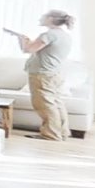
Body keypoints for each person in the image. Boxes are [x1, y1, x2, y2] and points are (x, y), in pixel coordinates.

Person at [8, 10, 77, 141]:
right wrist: (25, 40)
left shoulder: (49, 34)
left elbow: (28, 49)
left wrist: (22, 40)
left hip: (43, 74)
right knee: (56, 103)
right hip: (54, 73)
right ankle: (62, 132)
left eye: (43, 16)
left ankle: (51, 134)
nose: (41, 18)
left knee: (45, 105)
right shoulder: (64, 35)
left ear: (51, 18)